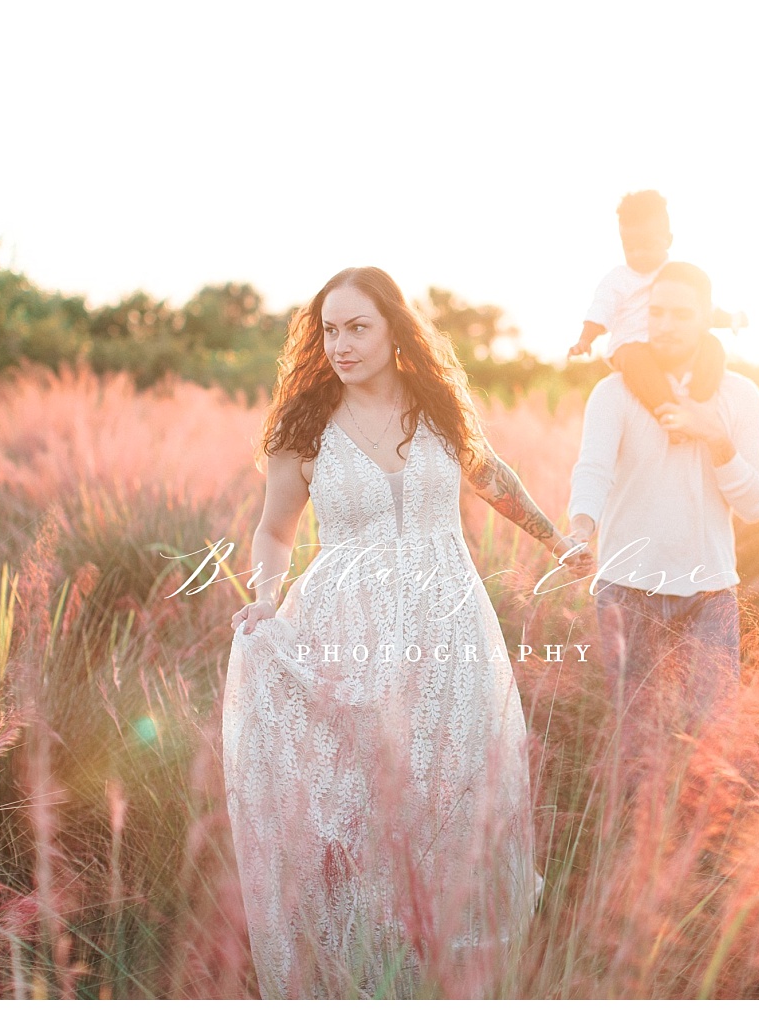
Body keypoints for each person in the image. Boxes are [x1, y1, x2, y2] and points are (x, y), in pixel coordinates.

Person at [222, 267, 595, 998]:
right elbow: (273, 530)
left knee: (453, 780)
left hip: (447, 624)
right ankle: (371, 966)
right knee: (368, 795)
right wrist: (266, 598)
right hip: (346, 633)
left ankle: (455, 958)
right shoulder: (303, 428)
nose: (341, 344)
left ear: (394, 328)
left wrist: (558, 543)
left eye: (357, 327)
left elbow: (497, 481)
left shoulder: (437, 407)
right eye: (329, 330)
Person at [567, 261, 759, 785]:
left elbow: (758, 504)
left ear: (707, 317)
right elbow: (592, 468)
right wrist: (580, 528)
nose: (665, 324)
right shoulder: (613, 393)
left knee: (714, 744)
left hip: (709, 595)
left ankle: (705, 859)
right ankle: (641, 852)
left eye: (681, 313)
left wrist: (717, 439)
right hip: (626, 592)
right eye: (655, 311)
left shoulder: (740, 396)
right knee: (640, 745)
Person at [566, 191, 739, 443]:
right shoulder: (618, 279)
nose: (637, 255)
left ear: (667, 240)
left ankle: (699, 404)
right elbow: (600, 309)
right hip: (630, 346)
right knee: (640, 368)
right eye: (629, 248)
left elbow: (704, 308)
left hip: (668, 343)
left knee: (712, 348)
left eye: (646, 246)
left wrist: (733, 319)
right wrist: (585, 339)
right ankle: (672, 419)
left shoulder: (674, 274)